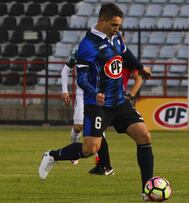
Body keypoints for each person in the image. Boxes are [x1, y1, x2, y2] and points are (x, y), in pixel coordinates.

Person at [39, 3, 153, 199]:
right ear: (102, 21)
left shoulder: (115, 37)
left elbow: (126, 54)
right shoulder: (87, 45)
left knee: (144, 136)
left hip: (119, 101)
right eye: (114, 25)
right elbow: (82, 78)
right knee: (90, 149)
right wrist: (95, 92)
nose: (117, 29)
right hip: (98, 104)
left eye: (119, 25)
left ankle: (147, 190)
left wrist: (141, 68)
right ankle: (52, 155)